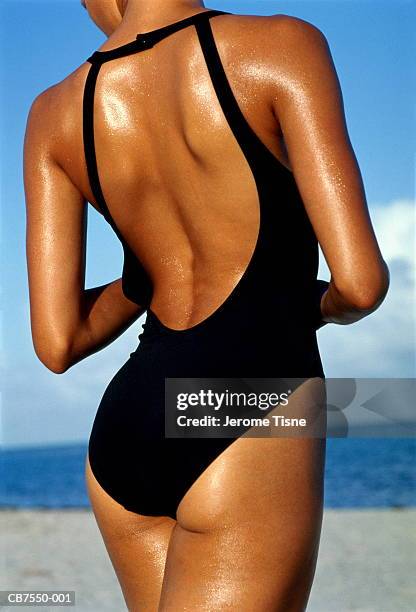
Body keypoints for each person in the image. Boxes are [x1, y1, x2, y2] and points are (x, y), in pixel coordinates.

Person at [24, 0, 389, 609]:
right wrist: (306, 305)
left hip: (129, 419)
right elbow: (361, 284)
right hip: (243, 399)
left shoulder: (52, 113)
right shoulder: (281, 44)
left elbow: (58, 343)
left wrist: (145, 277)